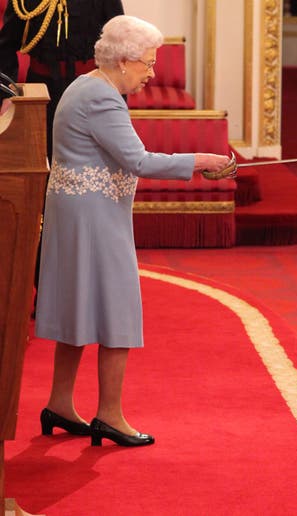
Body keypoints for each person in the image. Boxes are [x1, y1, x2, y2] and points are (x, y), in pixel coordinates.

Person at [35, 15, 235, 447]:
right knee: (115, 307)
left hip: (79, 213)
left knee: (78, 308)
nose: (152, 73)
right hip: (94, 218)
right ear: (123, 61)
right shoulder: (103, 99)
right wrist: (199, 160)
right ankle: (109, 415)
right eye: (146, 63)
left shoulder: (86, 85)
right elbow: (139, 161)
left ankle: (60, 403)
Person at [0, 0, 125, 159]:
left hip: (91, 88)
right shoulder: (22, 3)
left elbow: (119, 41)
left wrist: (117, 92)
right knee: (42, 157)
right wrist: (8, 95)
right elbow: (6, 46)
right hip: (43, 91)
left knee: (95, 156)